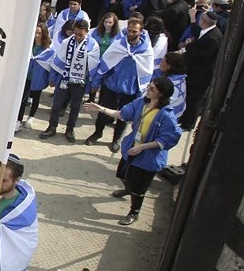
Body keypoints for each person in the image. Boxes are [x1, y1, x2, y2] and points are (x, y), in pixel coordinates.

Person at [84, 76, 183, 225]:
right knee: (122, 174)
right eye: (149, 86)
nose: (148, 90)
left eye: (152, 89)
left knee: (139, 187)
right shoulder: (141, 103)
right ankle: (128, 189)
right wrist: (101, 109)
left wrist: (143, 147)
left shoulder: (166, 114)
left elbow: (169, 138)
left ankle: (134, 212)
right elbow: (122, 114)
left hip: (148, 156)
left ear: (161, 93)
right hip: (132, 147)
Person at [87, 18, 155, 152]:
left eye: (134, 31)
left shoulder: (146, 51)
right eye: (129, 30)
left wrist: (141, 93)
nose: (131, 34)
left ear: (141, 32)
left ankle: (116, 139)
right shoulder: (119, 45)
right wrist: (96, 82)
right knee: (102, 112)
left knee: (124, 116)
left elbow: (147, 72)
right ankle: (97, 133)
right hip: (111, 86)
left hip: (130, 90)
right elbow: (105, 63)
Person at [40, 19, 100, 142]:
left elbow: (93, 65)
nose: (77, 36)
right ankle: (52, 126)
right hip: (64, 77)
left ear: (87, 32)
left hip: (80, 80)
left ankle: (70, 129)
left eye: (80, 34)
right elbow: (59, 59)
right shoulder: (67, 42)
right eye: (75, 33)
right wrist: (53, 77)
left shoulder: (93, 45)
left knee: (75, 106)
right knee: (57, 104)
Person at [180, 11, 222, 130]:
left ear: (204, 21)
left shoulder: (213, 38)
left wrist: (189, 45)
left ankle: (188, 123)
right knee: (189, 97)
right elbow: (198, 31)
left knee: (194, 100)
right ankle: (184, 118)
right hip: (194, 72)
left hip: (200, 75)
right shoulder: (208, 32)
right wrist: (192, 19)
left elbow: (202, 55)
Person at [17, 23, 53, 131]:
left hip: (38, 78)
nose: (37, 35)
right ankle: (18, 120)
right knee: (23, 99)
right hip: (26, 77)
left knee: (36, 98)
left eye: (39, 33)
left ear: (44, 34)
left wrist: (51, 79)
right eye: (35, 32)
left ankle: (31, 117)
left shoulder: (48, 50)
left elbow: (49, 65)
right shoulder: (28, 46)